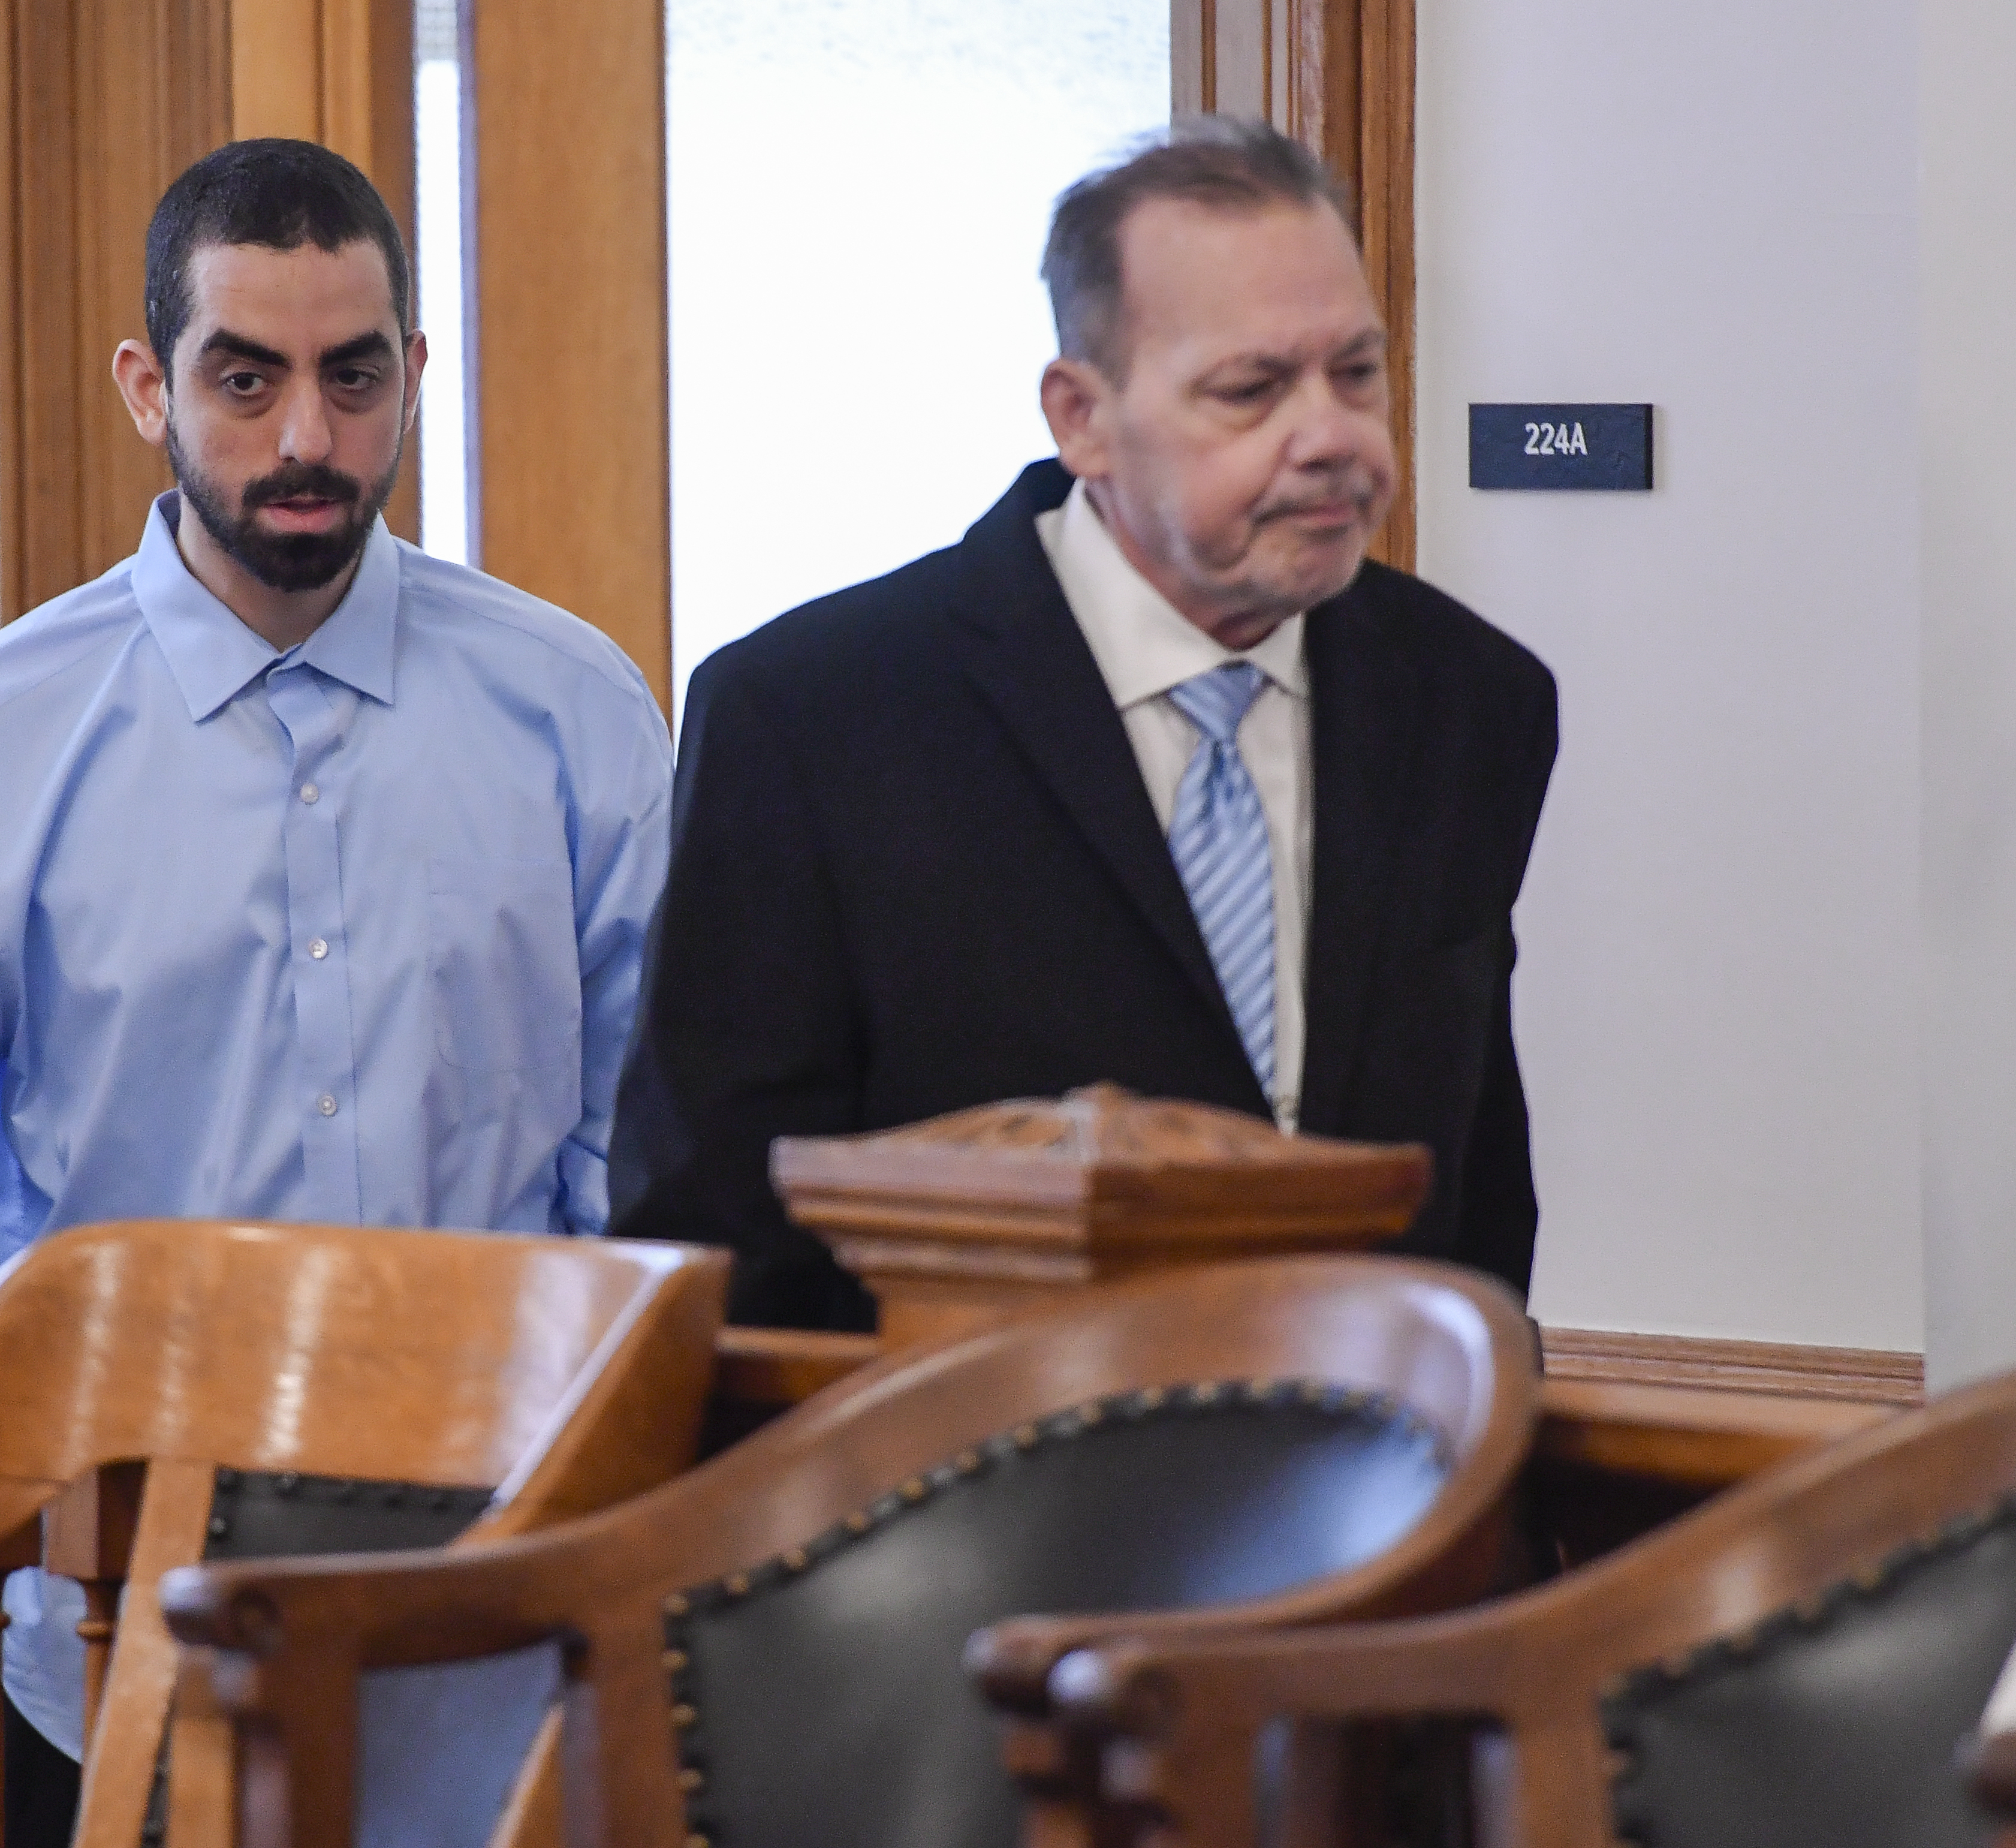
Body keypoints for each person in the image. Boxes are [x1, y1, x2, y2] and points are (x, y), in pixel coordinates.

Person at [0, 139, 670, 1842]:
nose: (307, 439)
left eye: (351, 375)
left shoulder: (580, 715)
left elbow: (647, 1160)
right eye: (243, 379)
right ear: (146, 385)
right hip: (107, 1629)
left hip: (505, 1626)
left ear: (414, 375)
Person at [612, 115, 1559, 1330]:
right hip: (959, 1485)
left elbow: (1476, 1188)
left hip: (1376, 1478)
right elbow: (714, 1235)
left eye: (1355, 372)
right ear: (1081, 417)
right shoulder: (813, 716)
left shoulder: (1469, 699)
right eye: (1251, 388)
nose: (1329, 436)